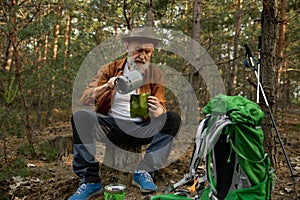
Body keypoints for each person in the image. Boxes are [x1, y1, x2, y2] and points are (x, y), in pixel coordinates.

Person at [69, 27, 181, 200]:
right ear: (127, 46)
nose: (142, 56)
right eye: (138, 50)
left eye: (148, 52)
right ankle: (90, 180)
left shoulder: (154, 74)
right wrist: (107, 86)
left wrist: (159, 110)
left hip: (141, 127)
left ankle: (145, 171)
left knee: (172, 118)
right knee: (80, 117)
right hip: (111, 126)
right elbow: (85, 98)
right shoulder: (110, 69)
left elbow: (161, 105)